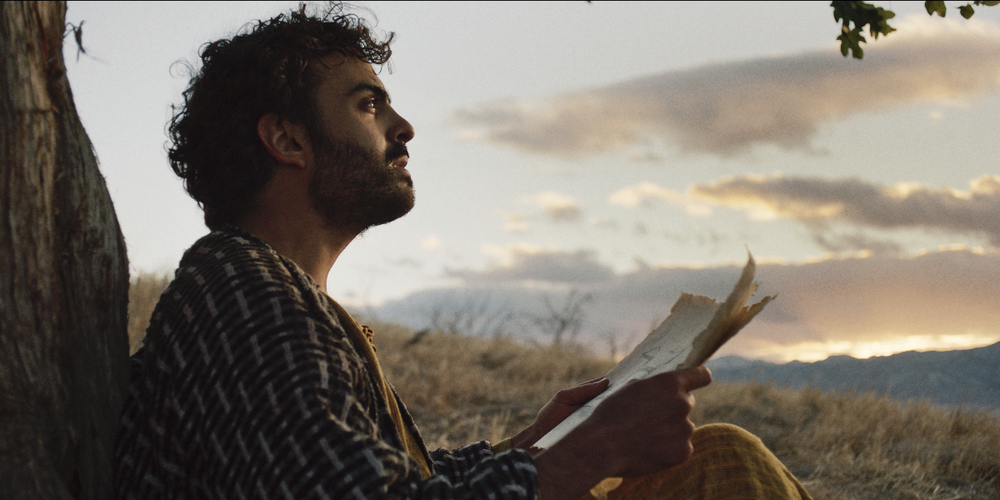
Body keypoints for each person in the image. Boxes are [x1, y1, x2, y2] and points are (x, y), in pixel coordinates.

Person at [115, 5, 812, 500]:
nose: (403, 127)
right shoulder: (242, 292)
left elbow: (383, 480)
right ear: (288, 142)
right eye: (367, 106)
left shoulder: (272, 294)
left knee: (717, 455)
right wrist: (590, 450)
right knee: (729, 469)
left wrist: (534, 441)